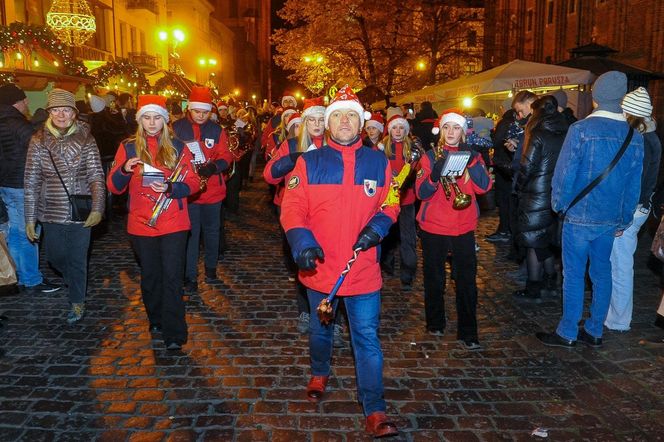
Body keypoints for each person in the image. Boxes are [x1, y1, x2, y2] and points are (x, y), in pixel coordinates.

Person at [280, 85, 400, 438]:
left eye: (351, 115)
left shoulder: (379, 161)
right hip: (321, 267)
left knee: (366, 338)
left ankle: (375, 408)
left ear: (360, 123)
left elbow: (391, 202)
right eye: (337, 115)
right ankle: (320, 370)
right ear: (327, 123)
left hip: (362, 269)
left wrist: (379, 226)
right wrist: (301, 241)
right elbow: (292, 207)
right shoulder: (309, 161)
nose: (344, 121)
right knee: (321, 330)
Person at [537, 71, 644, 348]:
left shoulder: (581, 130)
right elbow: (634, 184)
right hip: (610, 217)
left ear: (595, 97)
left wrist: (559, 204)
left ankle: (568, 331)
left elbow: (564, 174)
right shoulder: (634, 136)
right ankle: (595, 329)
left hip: (580, 215)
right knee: (602, 272)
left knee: (573, 273)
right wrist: (624, 218)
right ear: (620, 98)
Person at [107, 95, 199, 350]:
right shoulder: (127, 147)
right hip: (141, 223)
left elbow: (193, 182)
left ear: (165, 120)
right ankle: (155, 319)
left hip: (173, 222)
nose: (151, 122)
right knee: (150, 277)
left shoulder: (179, 147)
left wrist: (171, 187)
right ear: (139, 120)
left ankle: (174, 333)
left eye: (157, 117)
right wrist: (125, 169)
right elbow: (113, 187)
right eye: (146, 117)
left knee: (172, 277)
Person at [23, 88, 105, 324]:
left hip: (80, 208)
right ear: (49, 112)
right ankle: (73, 278)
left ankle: (77, 301)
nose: (61, 114)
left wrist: (98, 207)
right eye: (56, 109)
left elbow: (96, 176)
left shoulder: (87, 139)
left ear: (74, 114)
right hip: (51, 209)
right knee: (55, 258)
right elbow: (31, 180)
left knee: (78, 259)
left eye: (66, 109)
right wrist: (30, 218)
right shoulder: (38, 141)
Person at [416, 109, 492, 349]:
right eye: (447, 127)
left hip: (463, 227)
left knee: (467, 281)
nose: (451, 132)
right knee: (434, 279)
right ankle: (435, 322)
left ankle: (468, 332)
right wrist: (434, 176)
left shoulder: (472, 155)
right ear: (441, 130)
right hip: (434, 227)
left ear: (463, 131)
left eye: (456, 128)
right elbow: (420, 192)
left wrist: (474, 162)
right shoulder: (429, 156)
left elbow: (484, 187)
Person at [264, 97, 327, 337]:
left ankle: (334, 316)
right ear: (304, 121)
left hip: (324, 211)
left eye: (322, 119)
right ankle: (305, 311)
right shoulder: (291, 144)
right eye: (312, 119)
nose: (317, 124)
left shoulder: (333, 144)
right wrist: (290, 159)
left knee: (330, 261)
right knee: (303, 262)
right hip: (295, 210)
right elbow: (269, 175)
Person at [605, 87, 661, 331]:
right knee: (619, 262)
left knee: (619, 265)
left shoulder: (638, 140)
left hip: (631, 209)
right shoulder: (651, 137)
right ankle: (614, 314)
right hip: (640, 208)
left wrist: (623, 215)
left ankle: (618, 319)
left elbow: (634, 181)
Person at [0, 84, 61, 294]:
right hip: (23, 185)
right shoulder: (18, 124)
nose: (27, 103)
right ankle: (32, 279)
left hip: (6, 184)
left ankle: (19, 276)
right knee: (30, 233)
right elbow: (44, 149)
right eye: (24, 99)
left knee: (16, 233)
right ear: (16, 101)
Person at [173, 87, 233, 292]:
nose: (200, 115)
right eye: (197, 111)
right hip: (188, 192)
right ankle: (190, 275)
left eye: (205, 112)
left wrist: (214, 166)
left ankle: (211, 267)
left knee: (212, 230)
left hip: (213, 190)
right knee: (191, 234)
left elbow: (226, 155)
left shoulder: (217, 130)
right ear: (190, 109)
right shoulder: (176, 128)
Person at [512, 95, 569, 302]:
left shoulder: (537, 133)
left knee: (534, 241)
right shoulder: (565, 132)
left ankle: (533, 287)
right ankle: (551, 281)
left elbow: (527, 166)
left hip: (535, 194)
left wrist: (518, 188)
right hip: (557, 194)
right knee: (544, 240)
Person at [378, 112, 420, 290]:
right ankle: (385, 264)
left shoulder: (413, 149)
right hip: (387, 200)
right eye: (394, 127)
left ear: (406, 130)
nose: (397, 130)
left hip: (406, 200)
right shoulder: (382, 148)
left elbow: (419, 170)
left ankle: (407, 274)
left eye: (401, 127)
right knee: (386, 235)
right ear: (389, 130)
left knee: (407, 238)